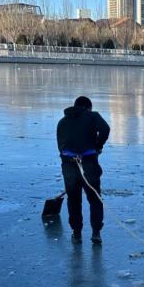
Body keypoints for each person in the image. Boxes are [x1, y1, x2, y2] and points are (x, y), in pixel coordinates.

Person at [57, 95, 110, 244]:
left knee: (74, 200)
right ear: (88, 108)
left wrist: (69, 162)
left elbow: (61, 146)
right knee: (95, 199)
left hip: (69, 165)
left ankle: (76, 233)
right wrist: (98, 146)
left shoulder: (62, 122)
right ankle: (96, 232)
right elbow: (105, 129)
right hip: (89, 165)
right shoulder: (92, 116)